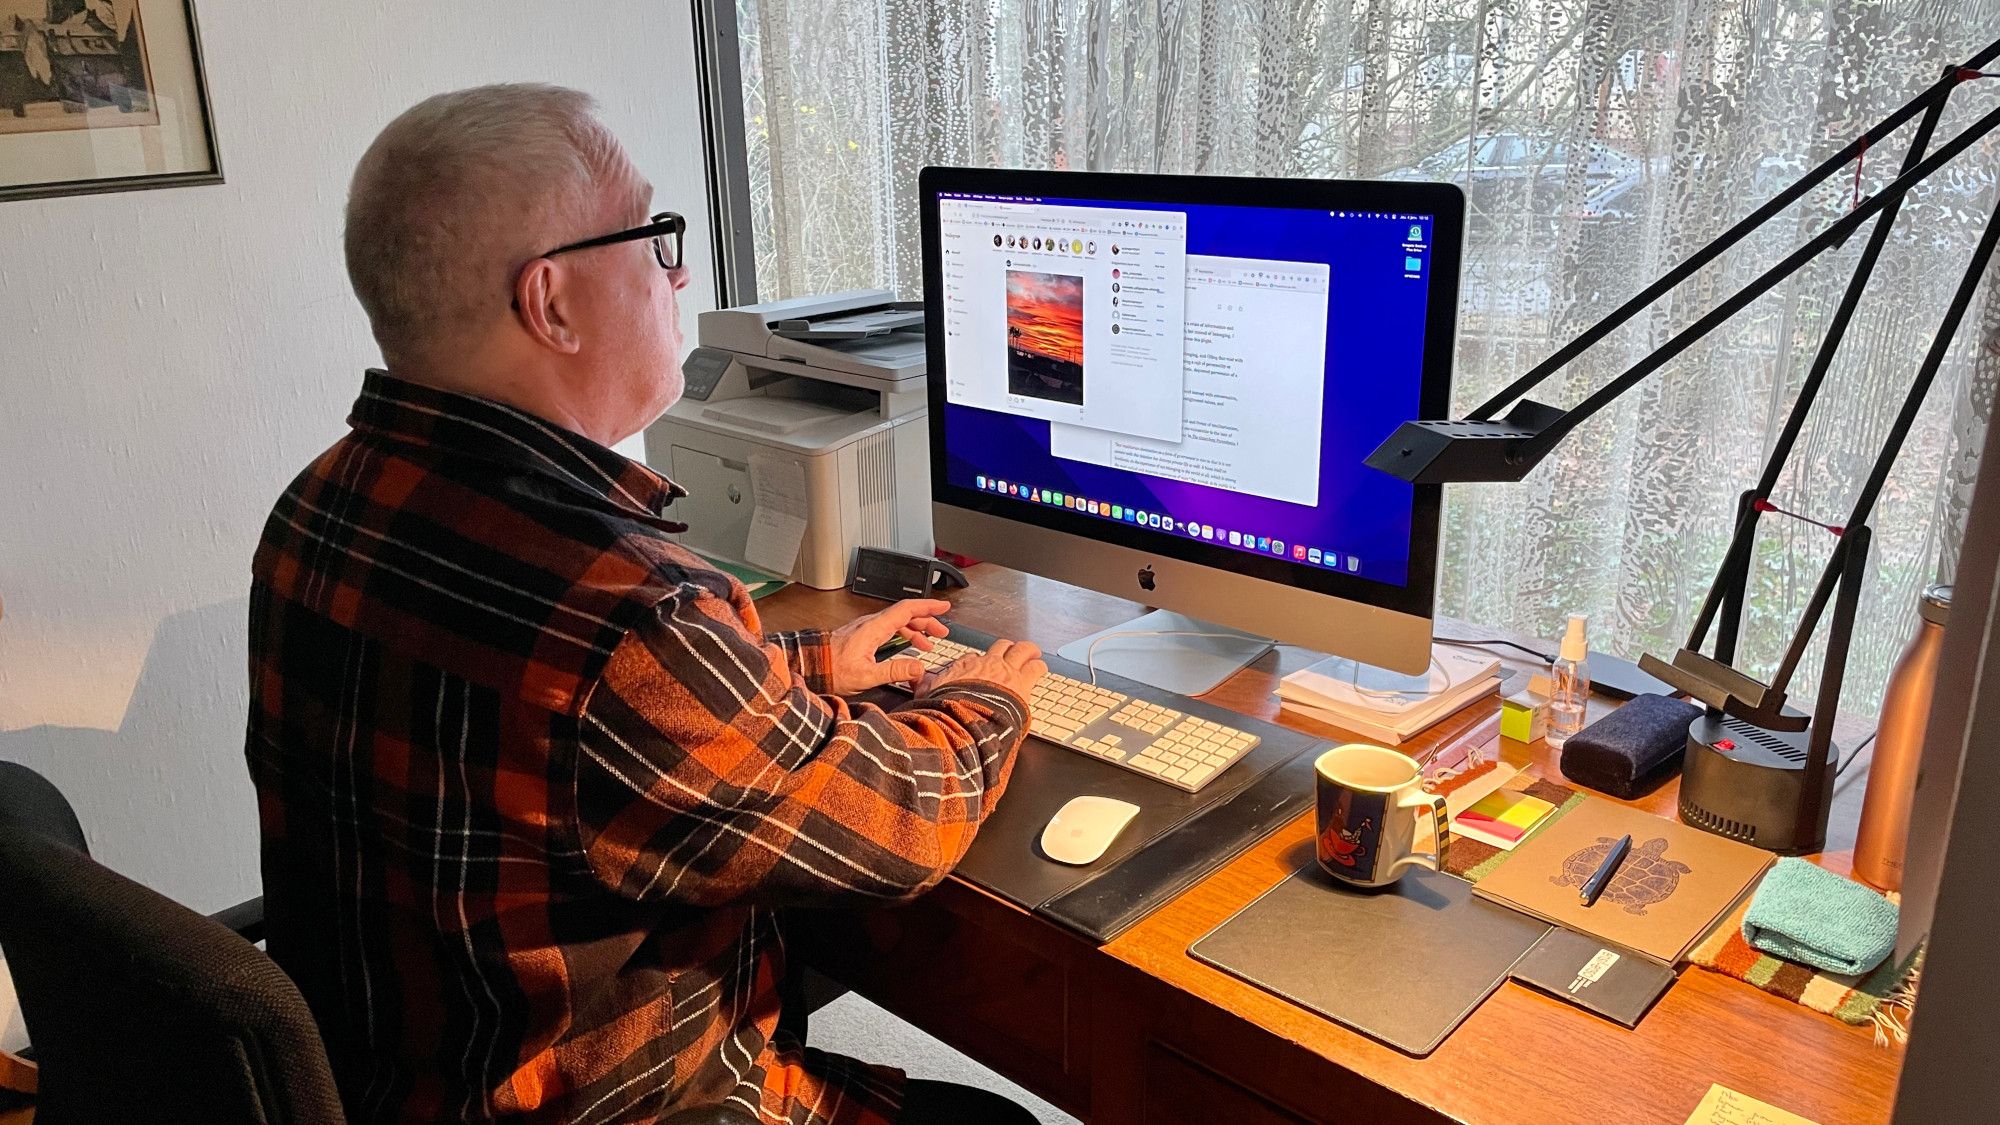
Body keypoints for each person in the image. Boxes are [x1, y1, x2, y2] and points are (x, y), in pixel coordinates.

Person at [245, 84, 1046, 1125]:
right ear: (552, 302)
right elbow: (895, 828)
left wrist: (802, 667)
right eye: (655, 237)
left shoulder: (321, 499)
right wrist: (986, 698)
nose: (678, 274)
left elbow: (552, 733)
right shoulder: (622, 614)